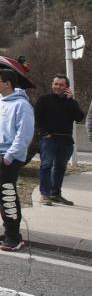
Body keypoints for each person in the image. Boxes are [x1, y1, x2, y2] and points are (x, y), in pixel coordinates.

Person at [0, 68, 35, 252]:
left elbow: (24, 135)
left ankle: (14, 238)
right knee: (1, 195)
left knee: (8, 196)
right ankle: (9, 232)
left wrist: (9, 156)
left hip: (6, 158)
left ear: (8, 84)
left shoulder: (22, 105)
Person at [34, 74, 85, 206]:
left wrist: (71, 100)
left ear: (66, 87)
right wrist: (43, 133)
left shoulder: (71, 102)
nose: (57, 87)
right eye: (55, 84)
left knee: (60, 168)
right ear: (52, 85)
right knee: (46, 166)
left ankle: (55, 194)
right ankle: (45, 195)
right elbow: (37, 118)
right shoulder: (44, 100)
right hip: (49, 139)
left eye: (61, 85)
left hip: (66, 140)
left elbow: (79, 117)